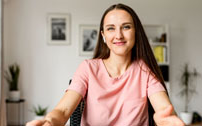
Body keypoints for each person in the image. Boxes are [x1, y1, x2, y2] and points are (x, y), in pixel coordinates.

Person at [26, 3, 184, 126]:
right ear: (103, 35)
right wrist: (50, 122)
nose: (118, 35)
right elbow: (63, 110)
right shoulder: (88, 68)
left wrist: (167, 120)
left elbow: (164, 109)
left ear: (136, 31)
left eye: (126, 27)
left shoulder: (144, 70)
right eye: (111, 28)